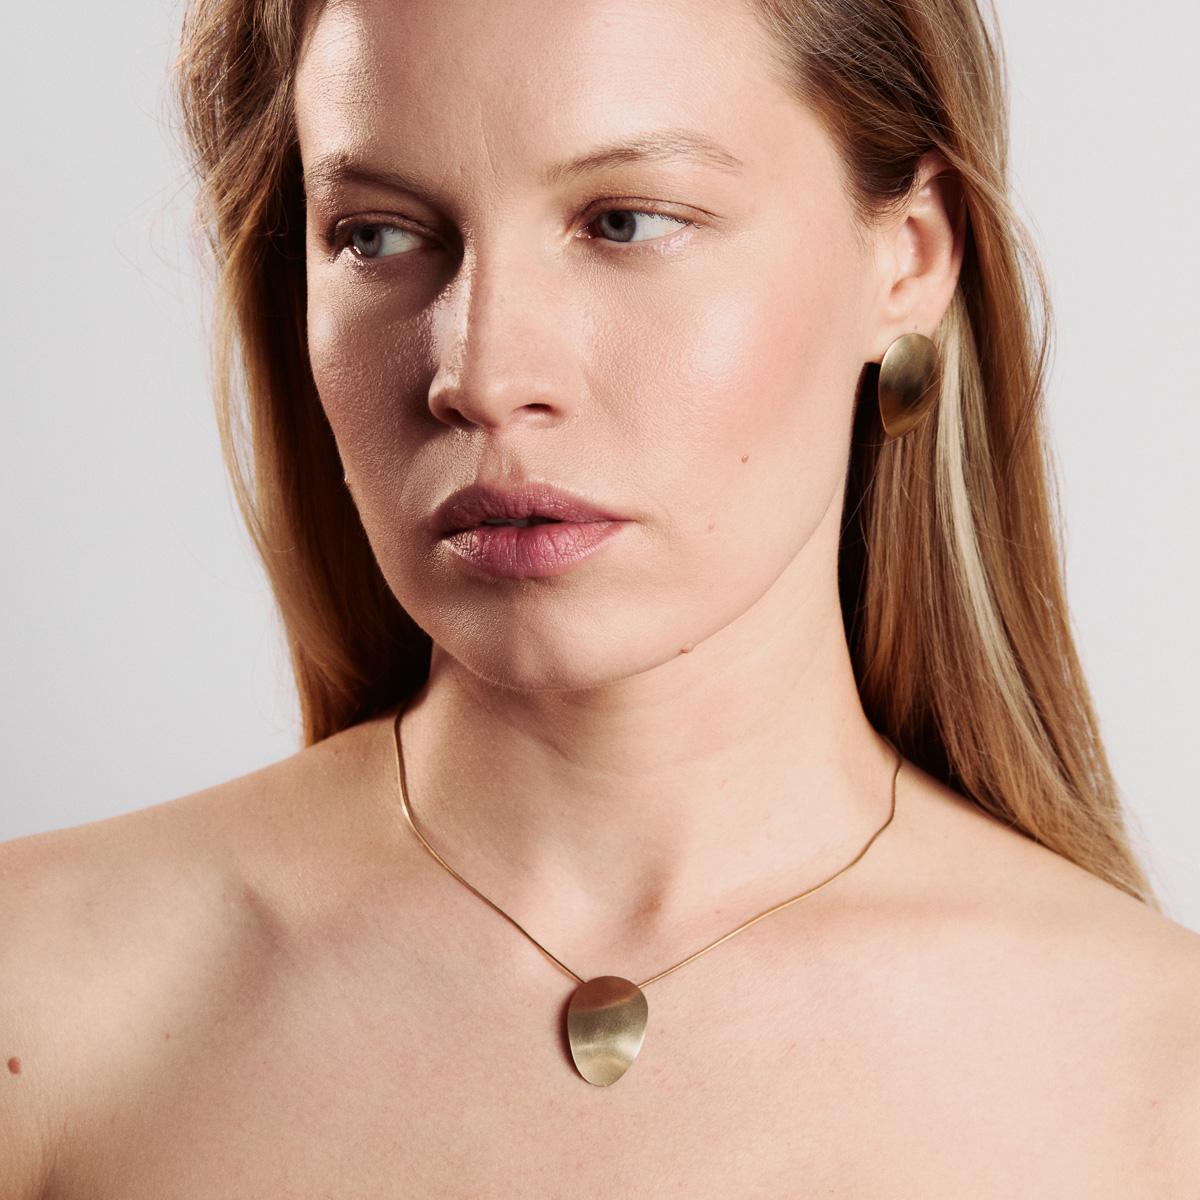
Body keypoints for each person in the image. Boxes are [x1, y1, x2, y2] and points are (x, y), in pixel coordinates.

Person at [2, 0, 1198, 1191]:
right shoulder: (39, 1000)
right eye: (377, 235)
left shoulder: (1162, 1087)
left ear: (912, 255)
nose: (481, 374)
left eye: (626, 221)